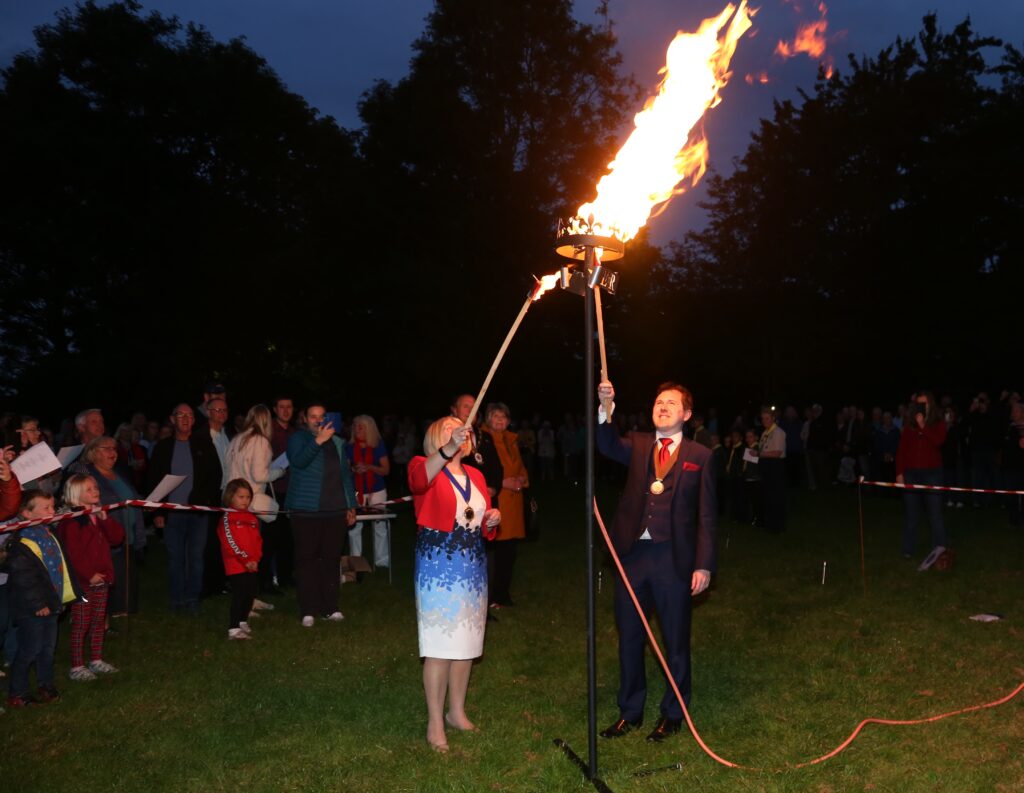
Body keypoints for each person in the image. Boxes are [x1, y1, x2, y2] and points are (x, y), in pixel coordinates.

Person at [596, 379, 716, 743]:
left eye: (671, 403)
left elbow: (707, 515)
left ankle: (673, 713)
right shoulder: (637, 443)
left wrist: (703, 564)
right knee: (630, 636)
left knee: (675, 640)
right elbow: (605, 443)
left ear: (687, 414)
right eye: (658, 401)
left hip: (673, 558)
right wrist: (605, 408)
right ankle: (630, 711)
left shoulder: (700, 456)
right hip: (632, 556)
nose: (662, 406)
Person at [408, 417, 501, 753]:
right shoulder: (423, 465)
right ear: (436, 436)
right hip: (438, 568)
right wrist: (448, 449)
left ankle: (456, 712)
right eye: (450, 426)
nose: (460, 429)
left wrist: (491, 520)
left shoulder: (476, 474)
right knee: (439, 645)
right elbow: (419, 482)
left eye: (462, 427)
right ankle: (435, 721)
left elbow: (477, 520)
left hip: (472, 568)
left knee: (466, 645)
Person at [4, 491, 80, 707]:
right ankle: (17, 692)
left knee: (47, 648)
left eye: (52, 506)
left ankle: (45, 684)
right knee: (30, 649)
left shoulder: (48, 533)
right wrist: (38, 604)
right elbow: (24, 578)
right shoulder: (21, 542)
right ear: (27, 513)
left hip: (52, 602)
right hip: (33, 608)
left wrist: (61, 597)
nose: (52, 511)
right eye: (46, 508)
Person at [285, 403, 357, 627]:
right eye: (313, 416)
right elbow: (299, 462)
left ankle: (331, 607)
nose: (317, 420)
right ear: (305, 419)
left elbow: (345, 476)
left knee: (331, 560)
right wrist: (318, 440)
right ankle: (308, 609)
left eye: (321, 416)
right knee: (306, 561)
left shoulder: (337, 442)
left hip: (334, 510)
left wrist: (350, 505)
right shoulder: (298, 439)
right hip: (305, 511)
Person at [147, 404, 223, 613]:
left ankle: (192, 598)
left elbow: (215, 476)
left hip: (198, 512)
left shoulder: (204, 445)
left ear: (194, 420)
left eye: (189, 415)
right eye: (181, 415)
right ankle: (176, 599)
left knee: (196, 558)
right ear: (173, 419)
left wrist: (204, 499)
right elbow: (153, 480)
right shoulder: (163, 447)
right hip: (172, 513)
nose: (185, 418)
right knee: (175, 558)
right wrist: (158, 512)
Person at [57, 474, 125, 681]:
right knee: (81, 623)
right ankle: (77, 666)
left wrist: (105, 519)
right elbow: (73, 553)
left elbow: (117, 538)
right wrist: (88, 574)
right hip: (84, 584)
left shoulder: (97, 514)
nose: (95, 491)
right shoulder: (72, 521)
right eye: (89, 489)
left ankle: (96, 659)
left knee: (98, 620)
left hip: (102, 578)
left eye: (95, 487)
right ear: (75, 494)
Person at [225, 404, 286, 602]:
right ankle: (248, 599)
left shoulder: (236, 439)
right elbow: (260, 475)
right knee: (250, 552)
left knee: (238, 552)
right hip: (249, 504)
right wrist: (279, 472)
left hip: (232, 502)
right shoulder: (260, 441)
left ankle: (247, 597)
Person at [82, 436, 145, 616]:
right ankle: (112, 613)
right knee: (114, 574)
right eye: (107, 448)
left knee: (128, 574)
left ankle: (127, 610)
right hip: (107, 537)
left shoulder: (120, 473)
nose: (113, 452)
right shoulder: (89, 477)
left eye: (114, 448)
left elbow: (132, 496)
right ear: (93, 453)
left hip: (129, 533)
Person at [479, 403, 528, 609]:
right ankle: (489, 597)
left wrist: (522, 479)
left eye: (503, 417)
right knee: (494, 551)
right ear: (488, 418)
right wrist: (503, 483)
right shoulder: (483, 439)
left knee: (509, 551)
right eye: (495, 416)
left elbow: (520, 466)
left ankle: (503, 594)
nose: (500, 420)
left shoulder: (511, 440)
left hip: (514, 503)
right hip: (497, 500)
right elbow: (483, 470)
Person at [895, 391, 948, 560]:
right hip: (911, 474)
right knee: (911, 514)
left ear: (931, 404)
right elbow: (902, 450)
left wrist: (923, 426)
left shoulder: (938, 423)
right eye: (919, 403)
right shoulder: (910, 424)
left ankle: (939, 549)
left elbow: (938, 441)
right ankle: (908, 549)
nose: (922, 406)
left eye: (924, 403)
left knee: (935, 514)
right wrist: (899, 472)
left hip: (932, 474)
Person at [218, 479, 262, 640]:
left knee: (250, 593)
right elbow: (230, 543)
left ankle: (242, 620)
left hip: (251, 564)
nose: (245, 500)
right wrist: (245, 560)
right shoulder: (227, 518)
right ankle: (233, 628)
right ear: (230, 497)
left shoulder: (251, 518)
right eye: (241, 497)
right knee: (240, 594)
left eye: (248, 497)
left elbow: (257, 541)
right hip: (236, 564)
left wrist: (255, 559)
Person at [346, 415, 391, 568]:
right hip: (356, 491)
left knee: (380, 526)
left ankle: (382, 561)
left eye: (361, 426)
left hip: (377, 490)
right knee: (354, 525)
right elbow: (345, 470)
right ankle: (356, 561)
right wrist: (354, 469)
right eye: (355, 426)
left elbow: (386, 470)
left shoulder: (378, 445)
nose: (357, 429)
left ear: (369, 429)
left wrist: (369, 467)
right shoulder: (349, 447)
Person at [270, 396, 297, 588]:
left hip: (292, 491)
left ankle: (286, 576)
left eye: (289, 407)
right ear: (275, 409)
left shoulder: (296, 433)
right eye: (282, 407)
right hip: (273, 490)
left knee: (290, 537)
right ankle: (272, 577)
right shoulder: (269, 431)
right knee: (274, 537)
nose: (286, 411)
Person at [756, 407, 787, 533]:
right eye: (763, 418)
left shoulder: (778, 432)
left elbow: (777, 453)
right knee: (767, 495)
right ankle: (769, 523)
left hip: (775, 466)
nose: (765, 421)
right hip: (766, 465)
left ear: (773, 418)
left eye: (767, 418)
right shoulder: (765, 432)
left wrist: (759, 454)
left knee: (775, 496)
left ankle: (777, 525)